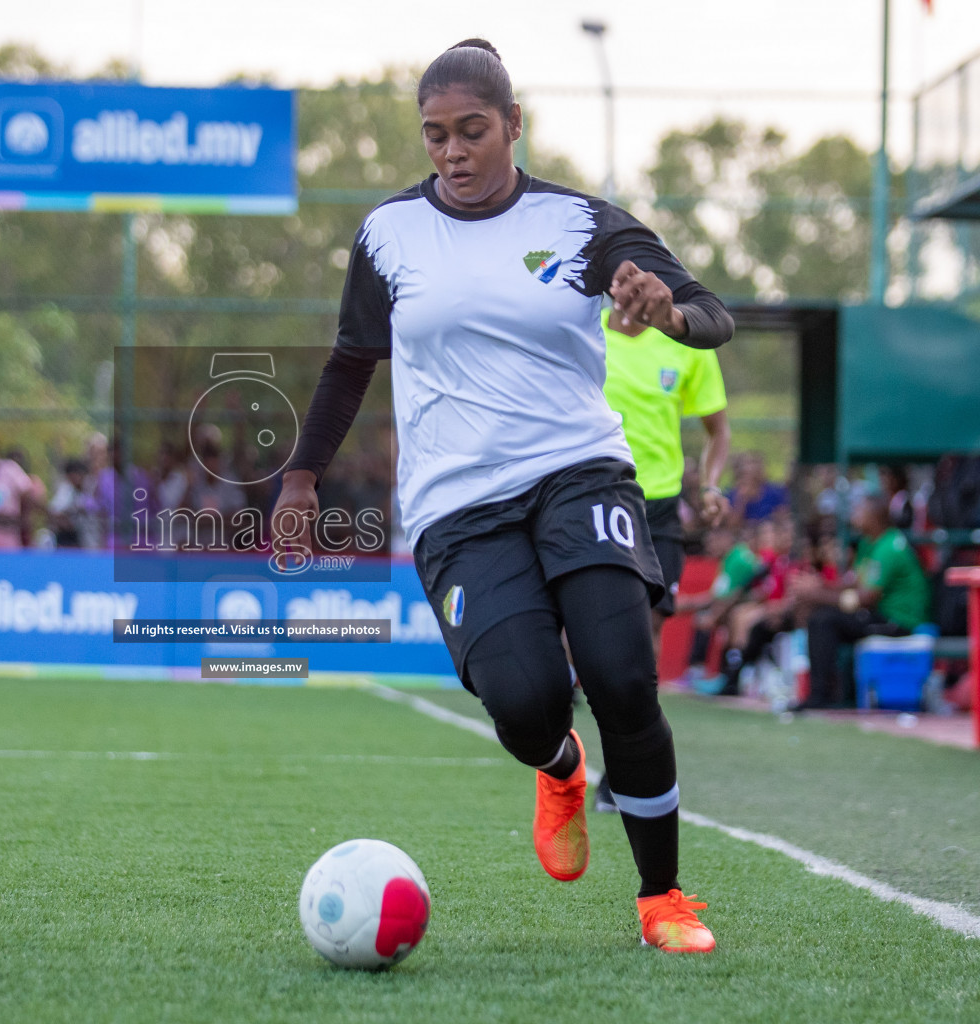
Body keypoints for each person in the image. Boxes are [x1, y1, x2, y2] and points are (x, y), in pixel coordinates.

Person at [274, 40, 732, 953]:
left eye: (471, 131)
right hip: (456, 505)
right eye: (435, 135)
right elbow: (349, 363)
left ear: (513, 126)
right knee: (524, 703)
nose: (452, 151)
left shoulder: (582, 224)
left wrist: (667, 312)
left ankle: (663, 900)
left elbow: (712, 314)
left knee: (619, 674)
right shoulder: (389, 234)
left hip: (579, 472)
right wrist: (299, 477)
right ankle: (558, 767)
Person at [593, 303, 730, 812]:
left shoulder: (686, 344)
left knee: (645, 631)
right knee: (584, 635)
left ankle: (623, 766)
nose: (634, 287)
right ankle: (563, 732)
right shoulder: (581, 330)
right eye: (622, 275)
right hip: (594, 497)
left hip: (660, 509)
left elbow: (719, 431)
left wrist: (713, 485)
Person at [788, 495, 930, 709]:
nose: (855, 516)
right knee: (817, 613)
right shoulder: (868, 544)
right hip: (877, 614)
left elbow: (866, 598)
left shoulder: (889, 546)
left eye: (860, 511)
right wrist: (818, 585)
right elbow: (853, 584)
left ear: (875, 516)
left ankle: (821, 695)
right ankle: (827, 691)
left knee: (823, 620)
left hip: (898, 621)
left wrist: (817, 594)